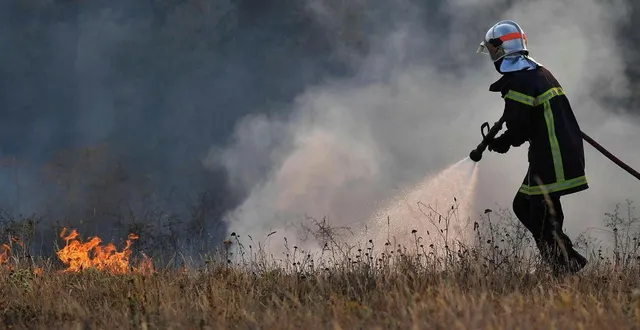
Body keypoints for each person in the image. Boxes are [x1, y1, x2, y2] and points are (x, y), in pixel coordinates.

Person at [476, 20, 588, 275]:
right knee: (526, 206)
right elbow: (525, 118)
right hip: (554, 151)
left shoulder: (520, 81)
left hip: (554, 155)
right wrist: (507, 136)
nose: (492, 57)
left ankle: (565, 266)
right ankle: (565, 261)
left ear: (501, 49)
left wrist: (504, 141)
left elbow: (519, 126)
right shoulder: (535, 73)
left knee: (538, 211)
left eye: (492, 50)